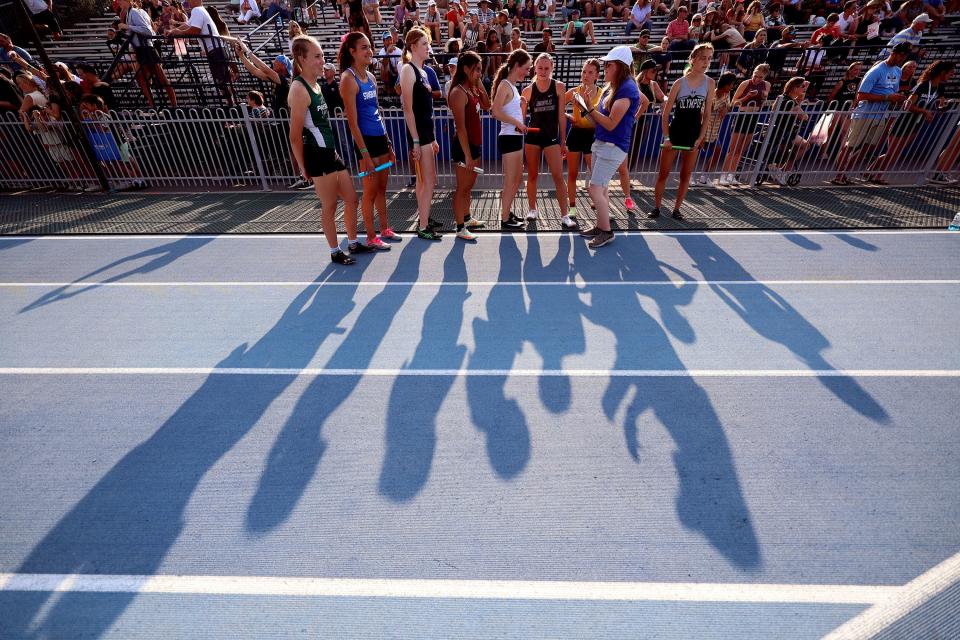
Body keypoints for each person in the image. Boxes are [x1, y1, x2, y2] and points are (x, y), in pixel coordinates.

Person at [287, 35, 367, 265]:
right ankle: (335, 251)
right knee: (330, 206)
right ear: (301, 58)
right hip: (317, 157)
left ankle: (352, 242)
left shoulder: (317, 85)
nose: (322, 60)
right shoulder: (299, 89)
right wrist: (304, 168)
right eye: (317, 56)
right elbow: (294, 136)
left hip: (330, 152)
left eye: (322, 55)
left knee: (351, 199)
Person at [578, 45, 642, 248]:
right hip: (602, 143)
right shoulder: (613, 87)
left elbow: (611, 122)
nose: (605, 67)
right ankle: (601, 225)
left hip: (613, 146)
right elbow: (601, 118)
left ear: (621, 66)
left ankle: (606, 231)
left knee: (595, 188)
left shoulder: (627, 89)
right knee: (600, 188)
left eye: (609, 64)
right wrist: (587, 107)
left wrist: (587, 107)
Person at [340, 32, 397, 245]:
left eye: (369, 46)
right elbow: (352, 123)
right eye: (363, 47)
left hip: (380, 138)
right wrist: (365, 154)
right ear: (352, 52)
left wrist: (388, 142)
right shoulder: (348, 79)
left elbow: (377, 112)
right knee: (370, 192)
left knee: (382, 188)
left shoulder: (371, 77)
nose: (369, 51)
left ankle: (385, 229)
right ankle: (371, 237)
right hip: (366, 144)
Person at [650, 43, 714, 219]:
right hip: (675, 132)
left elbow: (707, 114)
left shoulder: (710, 83)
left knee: (686, 174)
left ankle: (676, 209)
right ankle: (656, 207)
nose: (706, 62)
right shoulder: (679, 83)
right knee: (663, 173)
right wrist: (667, 137)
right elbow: (665, 114)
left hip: (693, 135)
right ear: (693, 59)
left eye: (709, 58)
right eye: (703, 58)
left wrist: (700, 138)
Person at [831, 42, 910, 185]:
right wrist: (887, 98)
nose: (902, 59)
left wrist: (897, 99)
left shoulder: (897, 71)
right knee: (850, 146)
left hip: (880, 115)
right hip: (865, 114)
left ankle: (846, 174)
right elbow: (861, 95)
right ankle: (839, 176)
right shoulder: (876, 71)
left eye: (905, 57)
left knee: (868, 147)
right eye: (902, 56)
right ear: (895, 53)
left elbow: (892, 92)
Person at [865, 60, 953, 184]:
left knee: (895, 153)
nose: (952, 75)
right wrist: (924, 111)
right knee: (892, 153)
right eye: (950, 73)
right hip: (903, 122)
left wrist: (943, 108)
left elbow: (939, 105)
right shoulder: (923, 85)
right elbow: (907, 105)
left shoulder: (940, 87)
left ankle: (870, 171)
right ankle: (877, 175)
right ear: (942, 72)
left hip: (915, 124)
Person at [399, 28, 441, 241]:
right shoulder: (408, 70)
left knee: (423, 182)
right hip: (418, 135)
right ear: (413, 47)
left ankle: (424, 218)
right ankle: (423, 226)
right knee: (429, 181)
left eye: (428, 43)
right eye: (424, 44)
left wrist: (432, 138)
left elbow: (426, 109)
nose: (428, 48)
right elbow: (408, 108)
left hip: (426, 133)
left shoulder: (424, 72)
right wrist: (416, 140)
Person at [448, 51, 492, 240]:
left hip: (474, 144)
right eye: (476, 70)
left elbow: (487, 105)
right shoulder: (458, 92)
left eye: (481, 70)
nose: (479, 73)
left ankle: (467, 218)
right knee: (462, 188)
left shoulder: (471, 89)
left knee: (469, 186)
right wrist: (467, 154)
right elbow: (461, 128)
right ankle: (459, 227)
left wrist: (477, 80)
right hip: (463, 146)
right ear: (465, 69)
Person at [521, 53, 568, 223]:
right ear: (535, 68)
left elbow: (561, 116)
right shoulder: (527, 90)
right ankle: (532, 209)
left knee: (558, 176)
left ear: (552, 68)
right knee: (532, 175)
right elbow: (521, 119)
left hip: (551, 138)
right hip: (533, 139)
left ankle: (565, 215)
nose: (543, 71)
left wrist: (563, 141)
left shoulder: (559, 87)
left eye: (546, 68)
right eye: (540, 68)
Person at [491, 49, 531, 230]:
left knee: (516, 179)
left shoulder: (512, 87)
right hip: (508, 138)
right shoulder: (505, 85)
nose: (527, 72)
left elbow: (512, 115)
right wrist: (516, 122)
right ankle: (505, 218)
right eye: (526, 68)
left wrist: (521, 105)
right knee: (511, 181)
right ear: (516, 66)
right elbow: (495, 111)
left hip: (514, 138)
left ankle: (507, 212)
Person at [171, 0, 234, 104]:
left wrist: (179, 32)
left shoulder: (197, 10)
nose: (188, 3)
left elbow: (194, 30)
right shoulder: (199, 10)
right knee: (222, 79)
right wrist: (173, 31)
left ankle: (232, 105)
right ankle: (231, 104)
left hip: (215, 49)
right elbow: (188, 25)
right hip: (215, 49)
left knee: (222, 80)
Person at [118, 0, 178, 108]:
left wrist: (128, 27)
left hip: (146, 49)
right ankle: (154, 106)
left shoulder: (135, 12)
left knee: (161, 79)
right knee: (142, 79)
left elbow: (147, 31)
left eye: (120, 0)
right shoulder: (133, 12)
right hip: (142, 49)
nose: (118, 2)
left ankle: (173, 106)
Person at [718, 62, 770, 186]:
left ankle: (731, 175)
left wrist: (764, 98)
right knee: (733, 149)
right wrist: (747, 97)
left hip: (753, 117)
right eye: (755, 75)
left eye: (760, 77)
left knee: (741, 150)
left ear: (765, 77)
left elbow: (763, 103)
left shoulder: (767, 85)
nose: (757, 79)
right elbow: (733, 102)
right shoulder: (745, 83)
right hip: (742, 116)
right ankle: (723, 175)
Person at [564, 58, 601, 227]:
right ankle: (572, 207)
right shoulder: (574, 92)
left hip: (593, 136)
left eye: (590, 72)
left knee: (596, 174)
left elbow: (599, 120)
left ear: (597, 76)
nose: (586, 75)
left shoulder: (602, 93)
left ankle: (599, 203)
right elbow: (558, 105)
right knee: (572, 174)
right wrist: (569, 117)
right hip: (576, 135)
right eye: (584, 71)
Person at [765, 77, 811, 184]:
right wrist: (800, 100)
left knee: (801, 146)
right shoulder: (789, 102)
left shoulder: (783, 97)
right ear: (795, 88)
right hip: (783, 133)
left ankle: (780, 169)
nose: (803, 89)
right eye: (802, 87)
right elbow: (804, 116)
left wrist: (800, 96)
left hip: (780, 131)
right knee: (804, 145)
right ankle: (783, 171)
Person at [697, 70, 735, 184]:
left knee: (717, 152)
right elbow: (702, 112)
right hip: (704, 130)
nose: (732, 87)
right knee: (693, 153)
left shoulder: (726, 94)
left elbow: (729, 106)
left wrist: (726, 108)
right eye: (731, 85)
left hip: (714, 131)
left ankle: (704, 176)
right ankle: (688, 176)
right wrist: (701, 134)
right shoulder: (711, 95)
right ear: (726, 84)